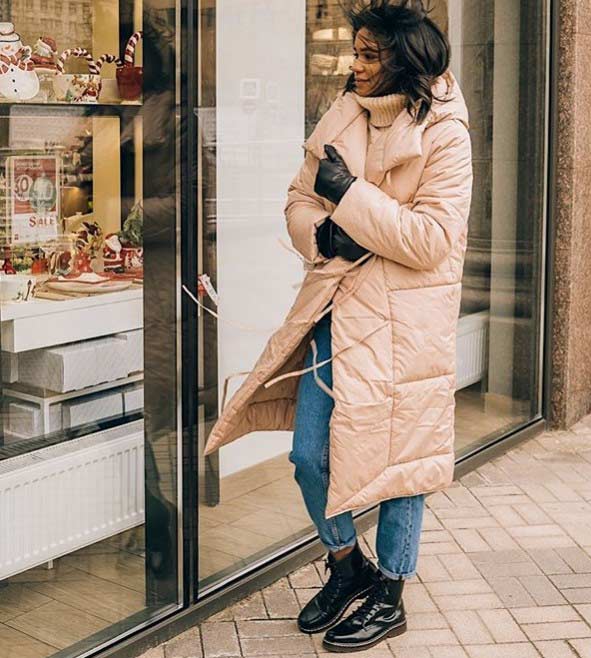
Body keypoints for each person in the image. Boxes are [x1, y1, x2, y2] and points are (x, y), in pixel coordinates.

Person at [203, 0, 473, 652]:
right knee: (306, 455)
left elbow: (433, 238)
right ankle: (349, 564)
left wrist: (349, 200)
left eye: (369, 55)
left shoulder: (445, 132)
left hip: (405, 326)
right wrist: (320, 233)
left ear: (405, 61)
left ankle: (391, 594)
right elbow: (299, 196)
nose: (354, 64)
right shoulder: (346, 108)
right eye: (354, 51)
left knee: (401, 465)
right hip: (336, 310)